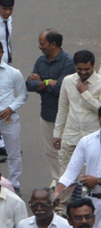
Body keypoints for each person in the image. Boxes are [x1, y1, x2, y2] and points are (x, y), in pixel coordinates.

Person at [54, 50, 101, 191]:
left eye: (87, 69)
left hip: (93, 137)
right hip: (71, 135)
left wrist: (85, 93)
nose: (83, 72)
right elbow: (63, 109)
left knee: (94, 175)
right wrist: (57, 133)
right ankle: (64, 208)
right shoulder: (68, 81)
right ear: (75, 66)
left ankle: (93, 206)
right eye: (79, 69)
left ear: (93, 66)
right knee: (67, 175)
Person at [28, 30, 74, 183]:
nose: (39, 47)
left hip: (64, 117)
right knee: (50, 152)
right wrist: (47, 82)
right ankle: (57, 180)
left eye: (42, 44)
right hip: (46, 114)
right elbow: (29, 85)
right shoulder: (41, 61)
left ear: (53, 44)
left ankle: (68, 182)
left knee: (64, 152)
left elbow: (60, 88)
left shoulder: (68, 62)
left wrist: (41, 82)